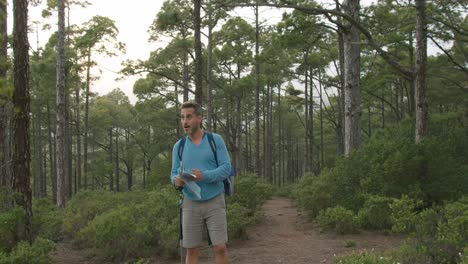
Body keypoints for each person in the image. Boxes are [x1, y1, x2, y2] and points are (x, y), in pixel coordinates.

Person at [171, 100, 231, 264]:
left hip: (214, 200)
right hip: (190, 203)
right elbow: (173, 173)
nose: (185, 122)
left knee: (220, 248)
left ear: (199, 118)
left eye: (189, 117)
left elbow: (226, 168)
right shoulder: (179, 146)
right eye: (182, 117)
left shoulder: (215, 140)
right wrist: (176, 181)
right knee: (191, 250)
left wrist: (204, 176)